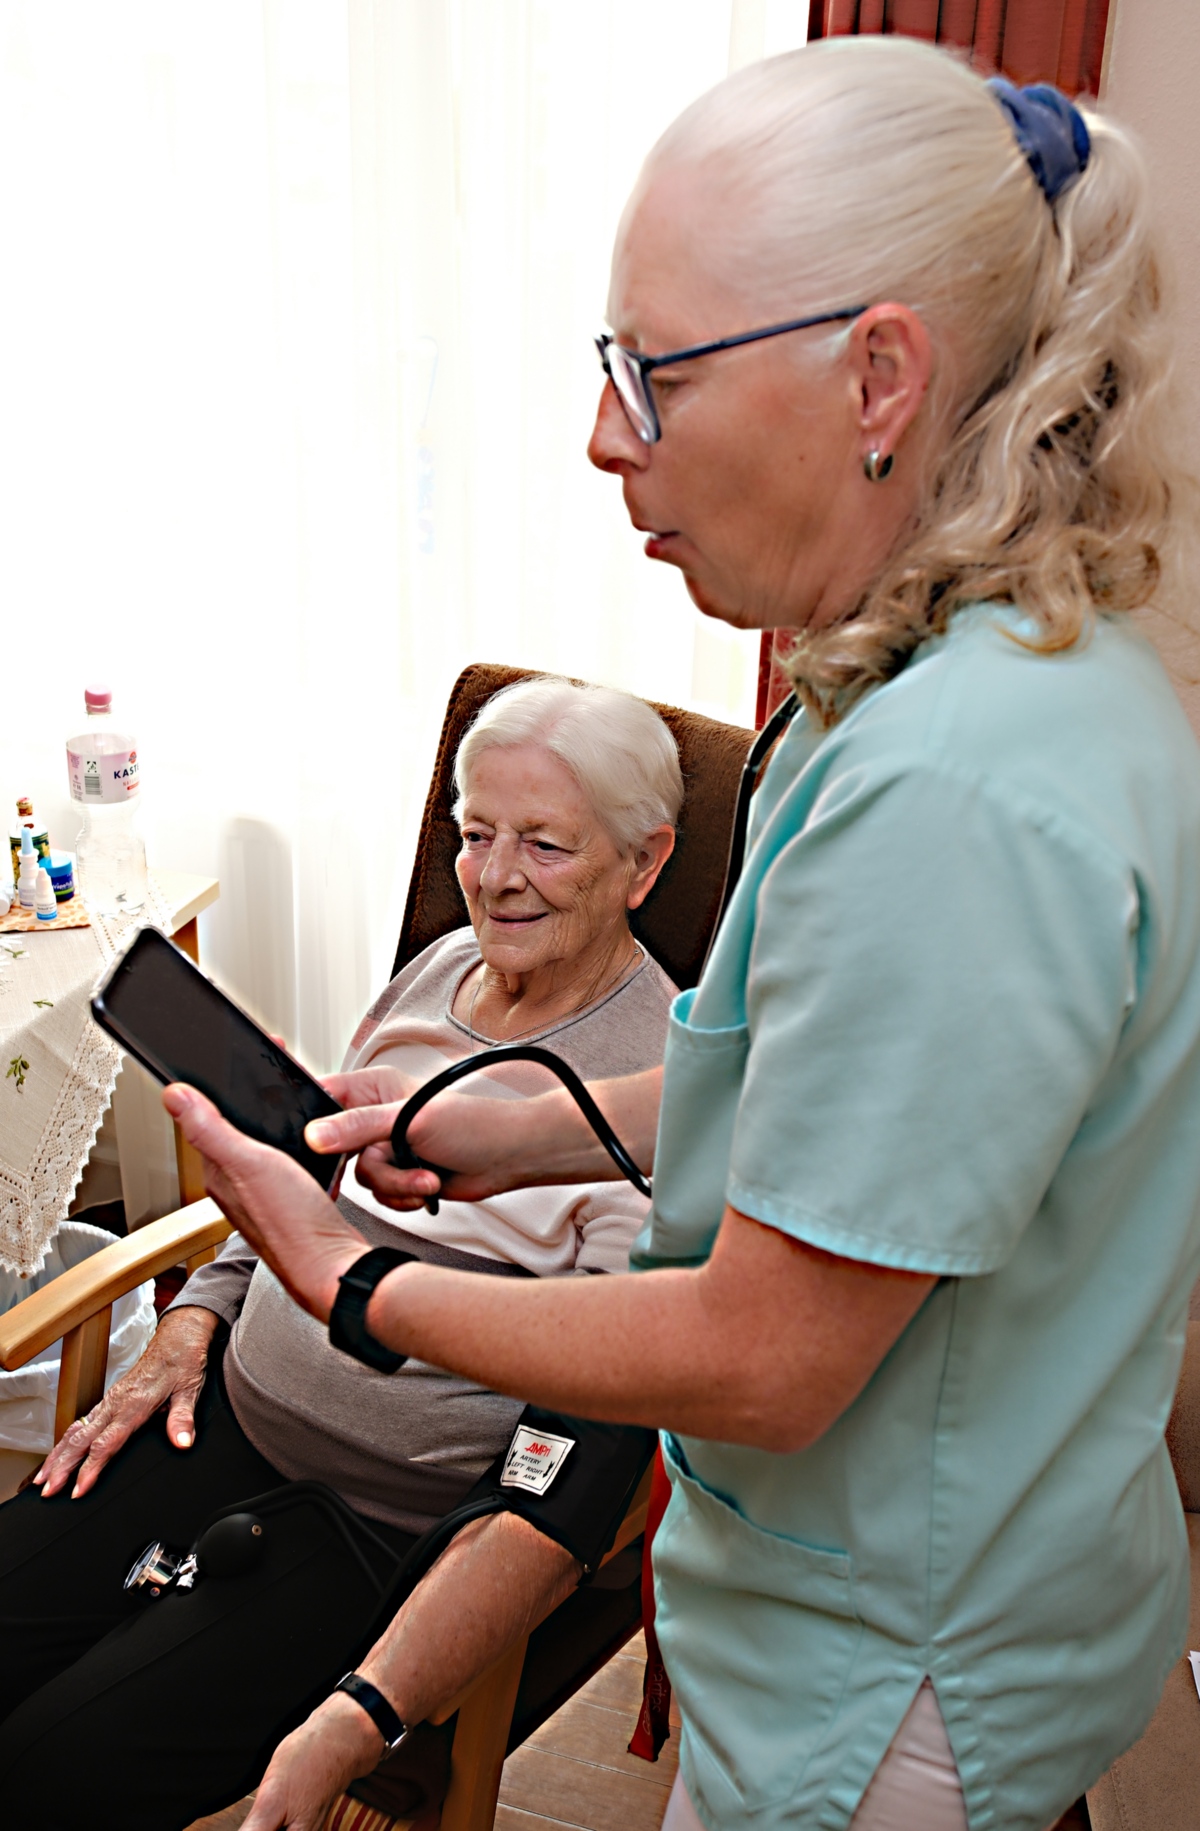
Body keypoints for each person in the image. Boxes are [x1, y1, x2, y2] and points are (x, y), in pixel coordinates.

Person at [159, 37, 1200, 1831]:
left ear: (881, 374)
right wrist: (516, 1122)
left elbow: (769, 1354)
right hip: (924, 1584)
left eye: (654, 373)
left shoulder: (955, 784)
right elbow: (848, 1086)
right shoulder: (961, 678)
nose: (600, 435)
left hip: (885, 1660)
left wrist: (349, 1281)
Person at [0, 677, 682, 1831]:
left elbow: (584, 1443)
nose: (496, 874)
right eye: (474, 833)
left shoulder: (654, 1088)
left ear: (644, 863)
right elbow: (298, 1187)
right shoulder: (436, 970)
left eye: (546, 844)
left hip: (372, 1526)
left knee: (46, 1772)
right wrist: (190, 1320)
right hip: (216, 1416)